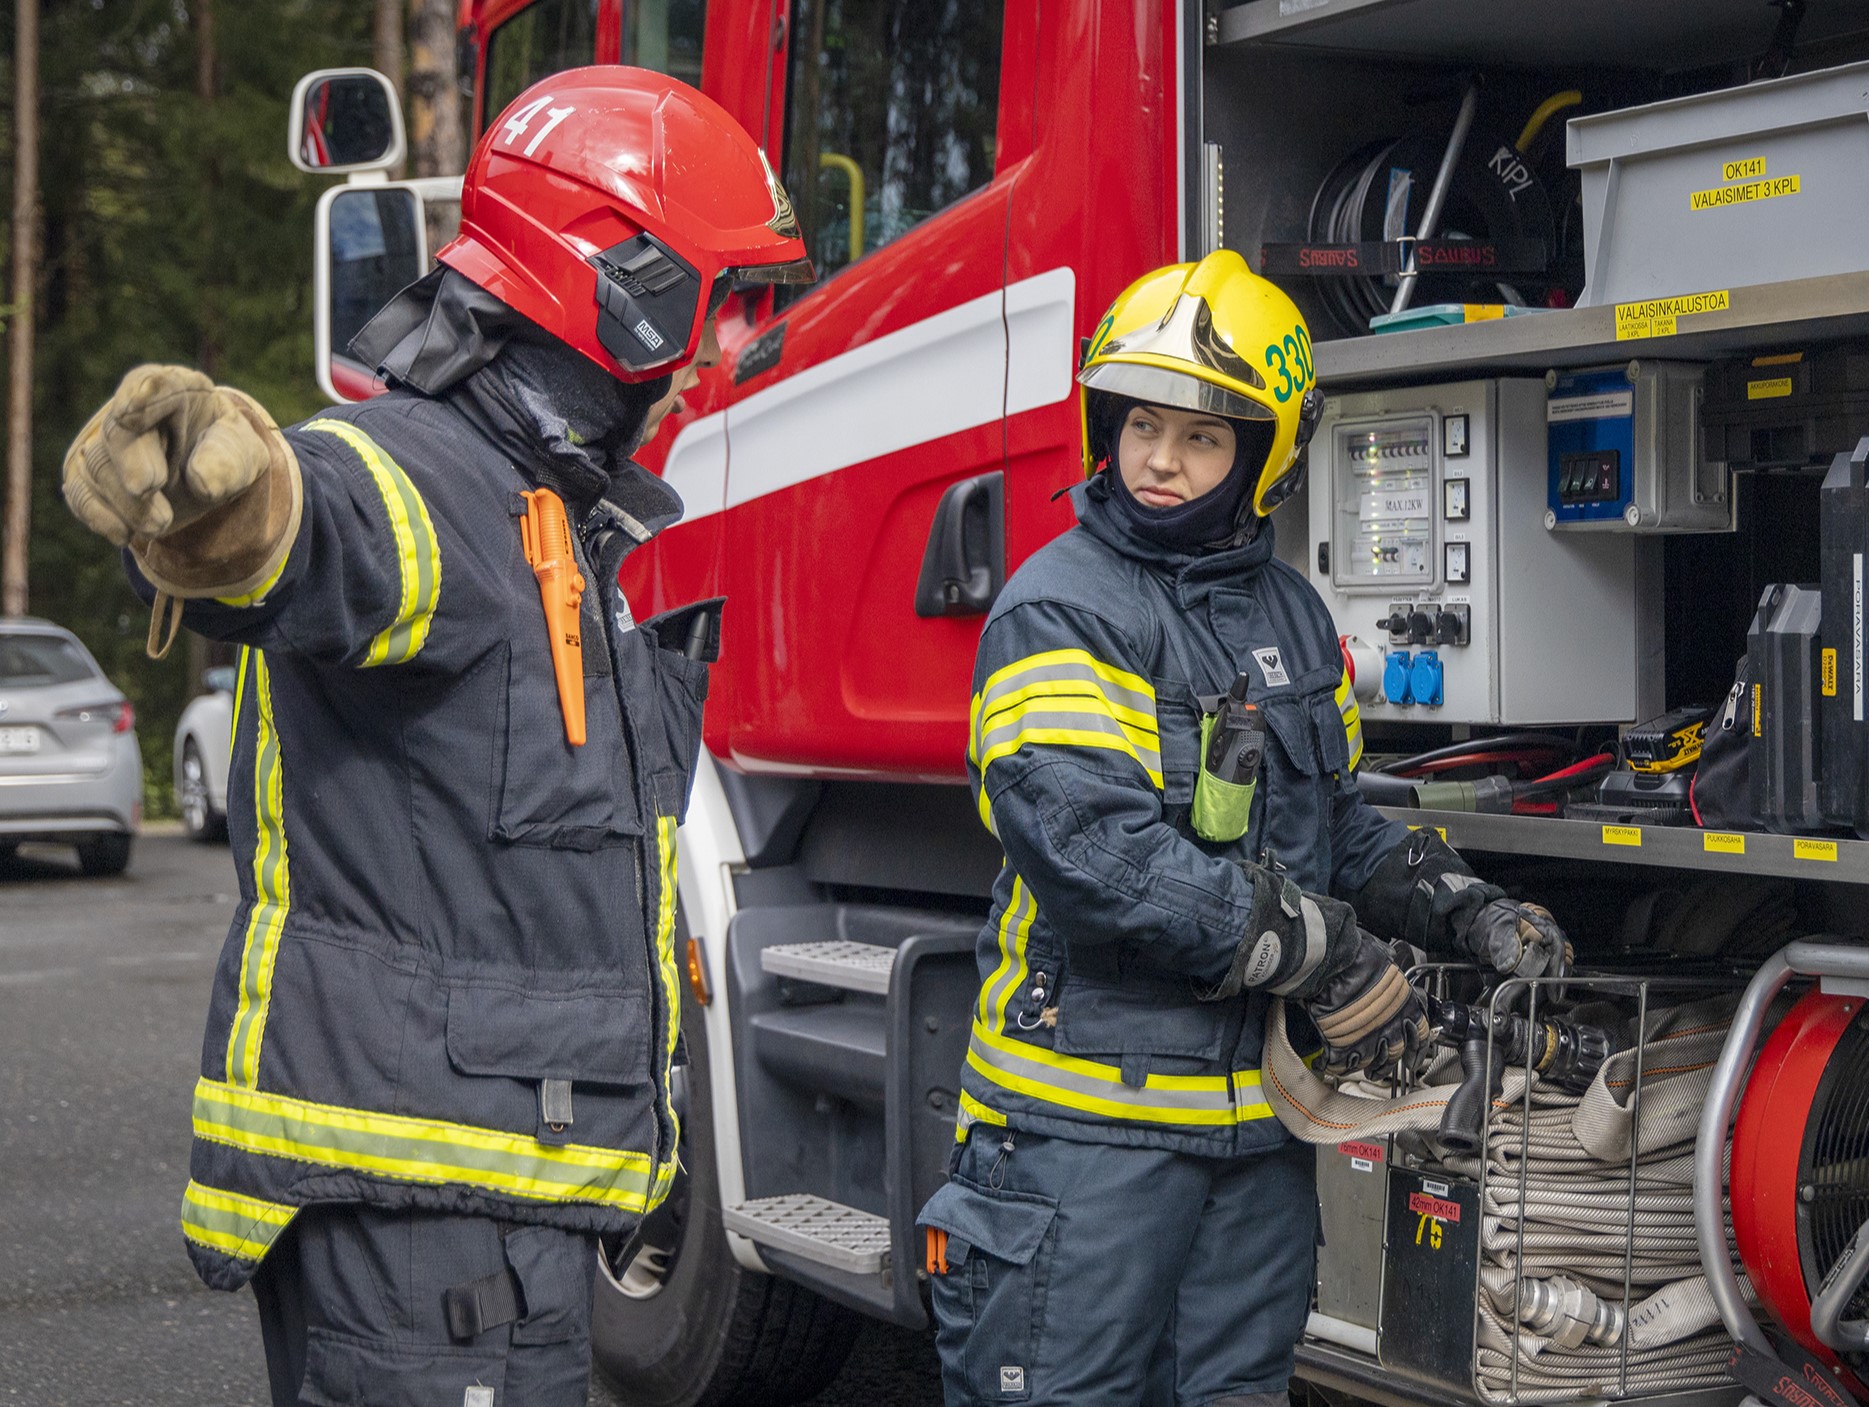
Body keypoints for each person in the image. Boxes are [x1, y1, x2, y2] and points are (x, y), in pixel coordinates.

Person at [57, 68, 812, 1407]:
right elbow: (300, 526)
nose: (720, 346)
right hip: (418, 1214)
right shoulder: (422, 478)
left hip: (470, 1202)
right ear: (618, 287)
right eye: (714, 298)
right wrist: (211, 489)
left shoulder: (544, 506)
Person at [917, 251, 1572, 1407]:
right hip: (1083, 1144)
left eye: (1204, 437)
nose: (1162, 460)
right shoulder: (1059, 607)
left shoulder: (1291, 614)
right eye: (1142, 426)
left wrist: (1464, 908)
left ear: (1263, 456)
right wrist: (1326, 952)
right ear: (1103, 426)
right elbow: (1097, 859)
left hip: (1255, 1147)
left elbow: (1336, 828)